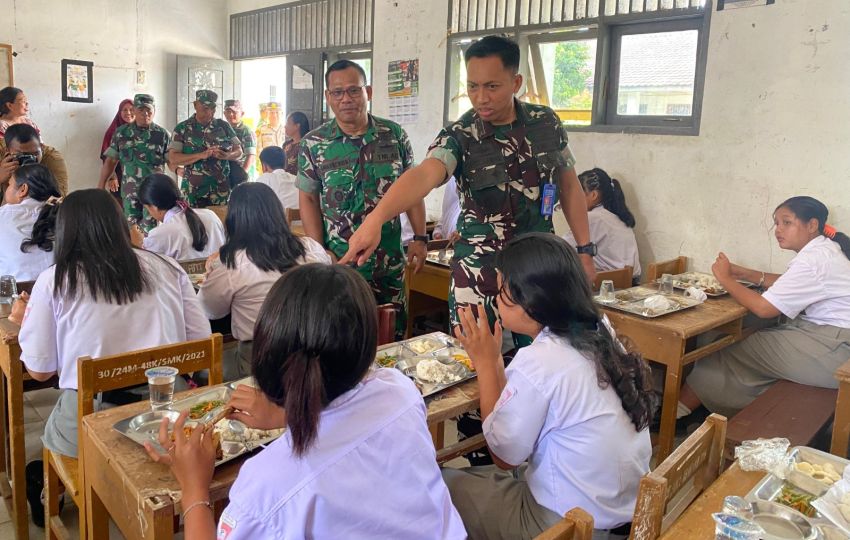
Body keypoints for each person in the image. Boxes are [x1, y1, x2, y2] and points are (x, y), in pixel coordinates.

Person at [144, 263, 467, 539]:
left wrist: (194, 490)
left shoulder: (268, 484)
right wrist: (288, 414)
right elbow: (349, 431)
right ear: (368, 347)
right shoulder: (399, 390)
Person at [339, 35, 595, 347]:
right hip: (480, 275)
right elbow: (423, 175)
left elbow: (568, 185)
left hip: (537, 270)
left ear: (516, 82)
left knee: (544, 361)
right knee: (478, 367)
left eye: (491, 86)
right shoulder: (461, 135)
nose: (481, 97)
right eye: (472, 86)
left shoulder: (546, 123)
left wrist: (584, 250)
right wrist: (375, 219)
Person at [443, 233, 655, 539]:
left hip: (568, 527)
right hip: (623, 517)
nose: (494, 299)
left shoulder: (540, 361)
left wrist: (487, 365)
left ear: (530, 301)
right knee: (490, 478)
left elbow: (504, 458)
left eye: (501, 291)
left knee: (440, 483)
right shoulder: (600, 329)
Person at [16, 189, 210, 460]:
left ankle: (55, 491)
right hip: (167, 410)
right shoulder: (166, 266)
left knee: (50, 435)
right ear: (120, 223)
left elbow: (39, 371)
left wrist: (24, 320)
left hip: (92, 416)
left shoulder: (55, 280)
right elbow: (200, 341)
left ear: (65, 230)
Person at [679, 196, 850, 419]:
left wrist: (725, 279)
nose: (778, 229)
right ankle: (705, 407)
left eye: (787, 222)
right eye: (776, 223)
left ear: (812, 225)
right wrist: (746, 274)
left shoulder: (813, 259)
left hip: (834, 350)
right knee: (739, 344)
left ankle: (678, 412)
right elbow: (793, 282)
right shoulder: (825, 249)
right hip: (831, 340)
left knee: (728, 348)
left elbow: (764, 308)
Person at [298, 59, 427, 338]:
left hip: (390, 264)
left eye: (354, 90)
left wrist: (420, 237)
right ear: (328, 97)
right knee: (344, 340)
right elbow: (308, 199)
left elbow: (412, 189)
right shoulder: (313, 144)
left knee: (391, 338)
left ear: (368, 91)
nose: (346, 99)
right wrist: (321, 251)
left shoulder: (393, 136)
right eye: (338, 92)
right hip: (341, 264)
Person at [197, 182, 330, 381]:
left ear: (233, 220)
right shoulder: (310, 248)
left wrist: (210, 274)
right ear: (277, 213)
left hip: (260, 361)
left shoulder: (232, 264)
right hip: (316, 350)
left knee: (201, 371)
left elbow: (209, 310)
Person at [98, 94, 171, 231]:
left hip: (153, 193)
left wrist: (179, 170)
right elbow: (111, 161)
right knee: (131, 231)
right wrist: (100, 186)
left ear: (154, 110)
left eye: (149, 110)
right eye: (141, 110)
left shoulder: (163, 135)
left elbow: (171, 161)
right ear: (135, 111)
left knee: (151, 232)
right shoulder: (121, 133)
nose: (145, 114)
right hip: (130, 192)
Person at [168, 90, 243, 208]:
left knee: (220, 224)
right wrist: (200, 155)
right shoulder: (182, 128)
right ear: (195, 105)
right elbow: (173, 158)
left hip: (220, 190)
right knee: (194, 225)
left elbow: (239, 151)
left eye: (212, 108)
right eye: (205, 108)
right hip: (193, 192)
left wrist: (227, 156)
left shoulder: (223, 126)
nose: (210, 112)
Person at [562, 168, 641, 280]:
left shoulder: (593, 218)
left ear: (593, 195)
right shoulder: (619, 217)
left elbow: (561, 248)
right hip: (633, 283)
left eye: (578, 195)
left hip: (607, 288)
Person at [133, 173, 225, 260]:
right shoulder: (210, 215)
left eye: (147, 208)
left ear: (154, 207)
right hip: (220, 276)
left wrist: (138, 244)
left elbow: (149, 268)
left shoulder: (158, 235)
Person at [0, 164, 61, 281]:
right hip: (56, 293)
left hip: (12, 294)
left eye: (9, 184)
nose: (7, 188)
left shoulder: (4, 214)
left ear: (23, 189)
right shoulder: (64, 214)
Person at [0, 124, 69, 195]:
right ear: (7, 151)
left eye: (35, 154)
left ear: (41, 147)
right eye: (22, 155)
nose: (30, 159)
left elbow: (59, 197)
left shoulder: (52, 158)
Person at [99, 99, 134, 202]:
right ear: (120, 113)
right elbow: (107, 157)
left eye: (132, 109)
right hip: (118, 178)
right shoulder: (113, 132)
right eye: (124, 110)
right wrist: (112, 177)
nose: (128, 113)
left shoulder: (143, 132)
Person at [255, 145, 298, 211]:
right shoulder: (297, 179)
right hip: (304, 220)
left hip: (280, 220)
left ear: (264, 166)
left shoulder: (264, 179)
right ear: (285, 164)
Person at [223, 99, 257, 178]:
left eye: (235, 112)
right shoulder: (222, 129)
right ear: (224, 113)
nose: (231, 114)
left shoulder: (246, 131)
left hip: (239, 171)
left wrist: (242, 175)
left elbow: (251, 155)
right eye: (228, 111)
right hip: (225, 173)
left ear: (242, 114)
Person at [433, 176, 462, 241]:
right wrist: (438, 232)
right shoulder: (452, 181)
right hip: (453, 246)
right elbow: (446, 213)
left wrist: (462, 232)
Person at [282, 111, 309, 175]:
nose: (285, 126)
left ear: (297, 126)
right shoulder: (286, 144)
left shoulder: (306, 145)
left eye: (288, 123)